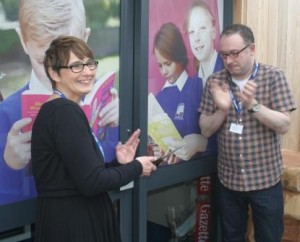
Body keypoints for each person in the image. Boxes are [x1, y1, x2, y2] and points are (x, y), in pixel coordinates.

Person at [31, 35, 157, 242]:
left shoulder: (59, 109)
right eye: (76, 66)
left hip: (69, 217)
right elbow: (92, 182)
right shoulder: (64, 112)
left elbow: (77, 174)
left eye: (90, 64)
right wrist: (136, 167)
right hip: (73, 224)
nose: (88, 72)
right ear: (54, 73)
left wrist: (118, 164)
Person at [0, 0, 119, 205]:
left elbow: (108, 166)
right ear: (22, 39)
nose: (53, 72)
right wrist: (9, 163)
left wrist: (115, 126)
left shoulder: (98, 95)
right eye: (41, 61)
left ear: (84, 40)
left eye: (67, 61)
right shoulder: (8, 113)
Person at [199, 23, 296, 242]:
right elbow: (205, 129)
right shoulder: (215, 82)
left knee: (269, 237)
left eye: (235, 53)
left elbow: (284, 125)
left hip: (265, 182)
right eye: (224, 55)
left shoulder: (273, 77)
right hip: (229, 183)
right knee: (231, 237)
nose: (229, 60)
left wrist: (254, 105)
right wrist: (222, 110)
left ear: (252, 49)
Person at [150, 22, 207, 165]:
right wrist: (157, 151)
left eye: (168, 64)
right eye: (160, 65)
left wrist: (200, 143)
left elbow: (214, 138)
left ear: (179, 58)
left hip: (195, 175)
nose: (164, 71)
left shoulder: (198, 86)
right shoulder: (159, 98)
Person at [184, 0, 223, 155]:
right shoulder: (192, 84)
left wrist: (203, 143)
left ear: (214, 32)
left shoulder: (228, 71)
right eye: (191, 31)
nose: (196, 38)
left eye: (202, 28)